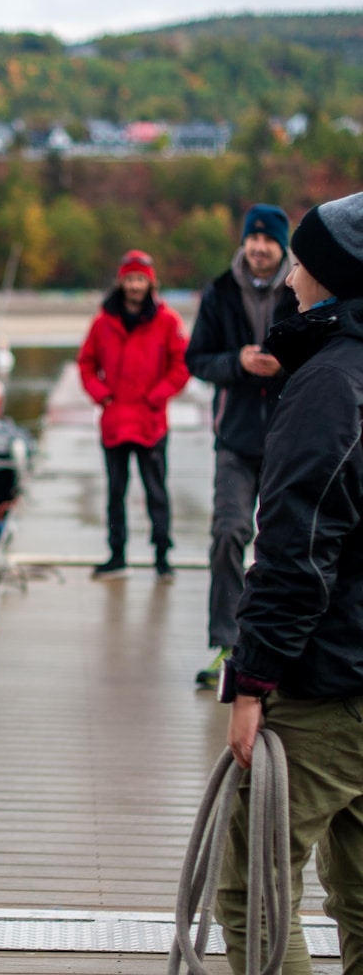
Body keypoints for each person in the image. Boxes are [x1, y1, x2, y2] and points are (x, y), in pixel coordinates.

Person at [215, 191, 363, 975]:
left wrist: (252, 682)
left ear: (332, 280)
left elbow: (297, 552)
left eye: (303, 259)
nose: (290, 272)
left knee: (251, 899)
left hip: (326, 683)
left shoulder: (331, 385)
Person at [185, 205, 299, 688]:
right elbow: (197, 358)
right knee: (229, 533)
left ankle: (281, 649)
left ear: (281, 245)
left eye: (267, 241)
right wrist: (238, 362)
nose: (258, 248)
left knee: (285, 543)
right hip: (233, 436)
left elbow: (326, 353)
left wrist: (283, 364)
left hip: (289, 435)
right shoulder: (220, 290)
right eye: (251, 240)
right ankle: (227, 645)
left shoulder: (302, 288)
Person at [77, 249, 190, 582]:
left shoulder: (168, 321)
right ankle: (116, 555)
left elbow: (181, 366)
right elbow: (86, 364)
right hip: (114, 421)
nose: (135, 285)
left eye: (141, 279)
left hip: (150, 422)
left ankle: (162, 556)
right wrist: (102, 395)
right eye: (130, 278)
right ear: (121, 281)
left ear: (150, 283)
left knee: (156, 491)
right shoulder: (102, 322)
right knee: (115, 493)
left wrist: (156, 397)